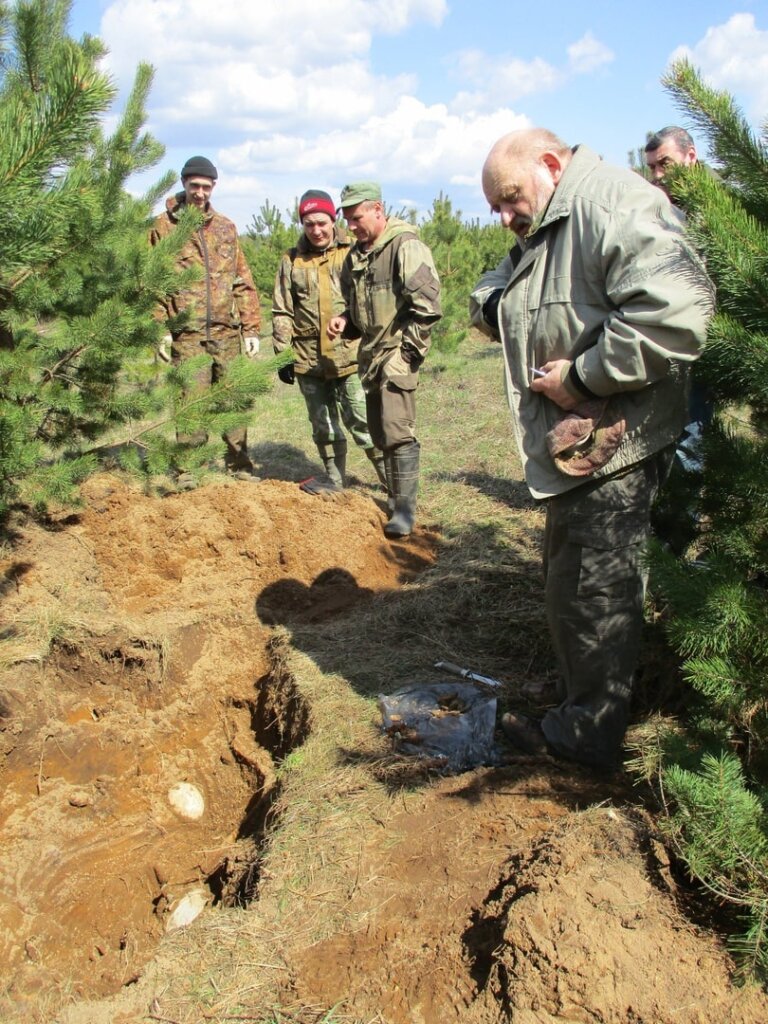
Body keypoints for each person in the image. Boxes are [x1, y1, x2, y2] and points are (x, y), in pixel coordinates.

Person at [470, 128, 712, 771]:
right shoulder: (548, 217)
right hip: (581, 445)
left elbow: (678, 313)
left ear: (551, 165)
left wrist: (582, 377)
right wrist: (497, 302)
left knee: (594, 585)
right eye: (495, 206)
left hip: (616, 441)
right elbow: (496, 286)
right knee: (571, 579)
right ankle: (585, 696)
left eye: (510, 198)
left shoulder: (613, 206)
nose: (503, 217)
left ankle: (588, 738)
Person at [327, 182, 441, 538]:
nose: (351, 226)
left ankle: (404, 511)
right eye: (346, 220)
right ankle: (394, 500)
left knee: (397, 432)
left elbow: (428, 308)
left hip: (395, 354)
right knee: (378, 432)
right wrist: (345, 321)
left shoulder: (404, 246)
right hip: (371, 356)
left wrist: (407, 356)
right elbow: (356, 309)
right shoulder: (356, 256)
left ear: (378, 209)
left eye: (357, 217)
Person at [149, 155, 261, 481]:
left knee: (233, 400)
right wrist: (160, 328)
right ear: (184, 184)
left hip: (226, 331)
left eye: (206, 186)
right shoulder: (162, 227)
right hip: (187, 334)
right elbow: (153, 281)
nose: (200, 193)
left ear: (214, 187)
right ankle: (188, 470)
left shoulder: (226, 228)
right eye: (194, 185)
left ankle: (239, 464)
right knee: (191, 402)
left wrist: (251, 327)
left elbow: (242, 279)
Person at [272, 189, 387, 495]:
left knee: (363, 422)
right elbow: (282, 308)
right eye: (309, 224)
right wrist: (282, 354)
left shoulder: (353, 250)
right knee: (323, 426)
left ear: (333, 220)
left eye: (322, 222)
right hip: (308, 360)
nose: (316, 230)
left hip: (350, 356)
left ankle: (394, 484)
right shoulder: (291, 259)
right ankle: (334, 480)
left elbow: (370, 299)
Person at [644, 126, 698, 197]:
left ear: (691, 156)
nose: (657, 175)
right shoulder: (647, 200)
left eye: (665, 164)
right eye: (652, 168)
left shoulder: (714, 202)